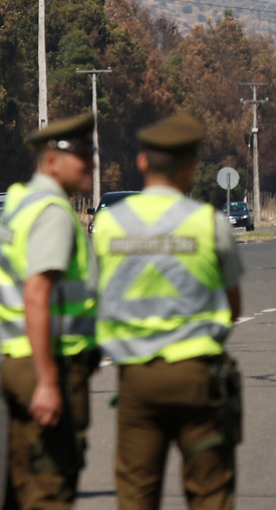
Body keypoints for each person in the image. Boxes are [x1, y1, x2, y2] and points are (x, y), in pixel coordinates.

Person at [92, 114, 243, 510]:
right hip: (197, 373)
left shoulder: (110, 225)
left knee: (136, 492)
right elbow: (233, 304)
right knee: (210, 491)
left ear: (142, 162)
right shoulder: (209, 223)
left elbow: (100, 295)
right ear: (191, 167)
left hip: (137, 376)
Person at [0, 113, 99, 509]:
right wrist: (47, 381)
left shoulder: (20, 200)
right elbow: (37, 295)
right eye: (82, 157)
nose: (91, 164)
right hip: (46, 361)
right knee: (49, 491)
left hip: (14, 355)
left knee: (21, 487)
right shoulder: (53, 213)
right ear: (53, 162)